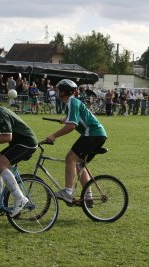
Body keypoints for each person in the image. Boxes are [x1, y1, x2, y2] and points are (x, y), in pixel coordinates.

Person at [44, 79, 107, 207]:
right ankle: (88, 198)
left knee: (70, 157)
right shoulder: (72, 103)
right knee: (79, 164)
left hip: (93, 133)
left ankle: (68, 191)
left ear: (63, 92)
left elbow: (71, 126)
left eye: (58, 90)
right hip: (98, 134)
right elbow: (73, 118)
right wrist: (65, 119)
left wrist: (53, 136)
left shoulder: (72, 102)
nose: (56, 92)